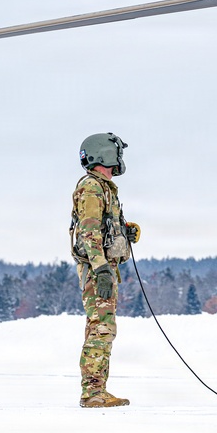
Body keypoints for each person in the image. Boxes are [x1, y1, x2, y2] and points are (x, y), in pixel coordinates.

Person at [70, 132, 141, 408]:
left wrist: (125, 233)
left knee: (102, 328)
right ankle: (92, 393)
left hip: (104, 267)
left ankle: (97, 390)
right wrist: (99, 269)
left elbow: (101, 228)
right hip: (97, 269)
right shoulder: (92, 187)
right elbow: (88, 232)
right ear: (104, 154)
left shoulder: (103, 188)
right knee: (102, 328)